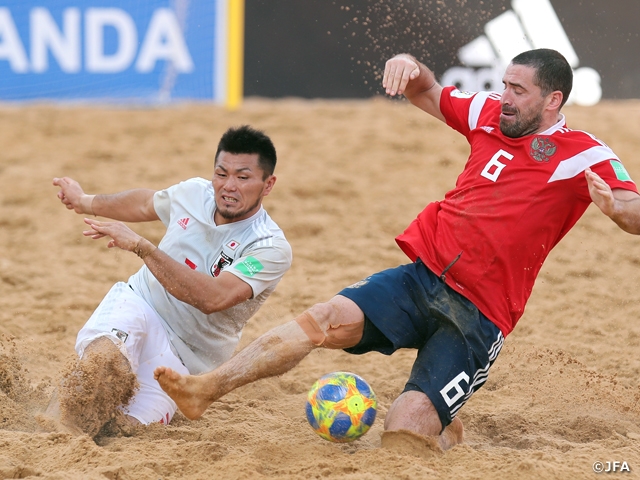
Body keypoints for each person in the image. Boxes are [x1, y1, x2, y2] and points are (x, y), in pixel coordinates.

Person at [153, 49, 640, 451]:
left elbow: (632, 209)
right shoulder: (488, 115)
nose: (504, 98)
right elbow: (426, 90)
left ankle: (442, 427)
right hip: (422, 277)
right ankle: (205, 389)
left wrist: (617, 211)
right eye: (504, 85)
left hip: (480, 315)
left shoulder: (584, 153)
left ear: (553, 100)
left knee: (403, 438)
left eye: (518, 91)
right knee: (322, 318)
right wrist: (409, 65)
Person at [47, 125, 292, 436]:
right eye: (221, 174)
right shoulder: (194, 193)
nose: (228, 186)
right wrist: (84, 201)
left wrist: (141, 246)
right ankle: (49, 432)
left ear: (267, 184)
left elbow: (212, 299)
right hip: (140, 305)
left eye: (243, 177)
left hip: (184, 363)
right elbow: (144, 203)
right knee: (102, 366)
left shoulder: (270, 246)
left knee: (121, 431)